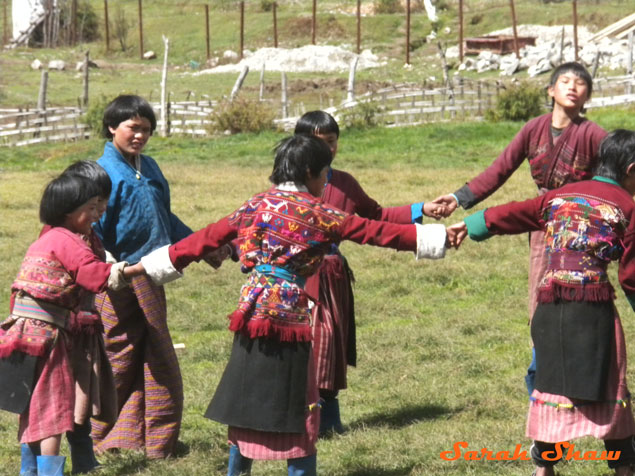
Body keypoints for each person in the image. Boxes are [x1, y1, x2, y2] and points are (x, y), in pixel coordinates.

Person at [138, 134, 448, 476]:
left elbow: (203, 240)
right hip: (291, 319)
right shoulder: (321, 214)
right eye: (324, 174)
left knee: (247, 395)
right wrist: (441, 236)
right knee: (299, 402)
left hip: (250, 312)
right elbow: (377, 232)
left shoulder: (255, 205)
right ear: (311, 172)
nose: (325, 181)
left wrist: (141, 268)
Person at [446, 129, 635, 476]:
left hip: (549, 308)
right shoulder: (627, 207)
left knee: (551, 386)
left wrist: (472, 224)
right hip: (594, 316)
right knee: (609, 384)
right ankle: (623, 468)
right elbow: (631, 275)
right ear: (631, 169)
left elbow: (517, 213)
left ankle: (543, 470)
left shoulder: (560, 196)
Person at [433, 62, 607, 394]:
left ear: (588, 96)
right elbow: (498, 170)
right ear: (551, 90)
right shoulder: (533, 130)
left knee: (580, 295)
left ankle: (580, 379)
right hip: (543, 225)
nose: (572, 86)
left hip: (583, 227)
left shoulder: (593, 134)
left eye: (581, 83)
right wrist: (459, 197)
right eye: (565, 81)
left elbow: (615, 168)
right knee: (541, 296)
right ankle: (540, 374)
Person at [294, 110, 446, 434]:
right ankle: (296, 421)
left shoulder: (344, 183)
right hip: (294, 277)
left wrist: (421, 210)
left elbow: (375, 216)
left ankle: (328, 423)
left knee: (329, 347)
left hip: (331, 276)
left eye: (332, 142)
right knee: (302, 347)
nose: (327, 149)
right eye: (317, 142)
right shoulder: (288, 187)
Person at [0, 173, 145, 476]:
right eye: (91, 208)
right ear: (68, 208)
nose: (97, 214)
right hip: (48, 337)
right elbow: (96, 277)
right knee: (51, 412)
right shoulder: (69, 241)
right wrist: (140, 269)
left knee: (32, 409)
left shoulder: (47, 238)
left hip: (21, 333)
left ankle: (30, 471)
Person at [90, 95, 193, 459]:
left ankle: (153, 439)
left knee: (156, 356)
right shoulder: (101, 174)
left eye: (147, 130)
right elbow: (93, 232)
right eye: (134, 128)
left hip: (150, 276)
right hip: (115, 279)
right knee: (119, 356)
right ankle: (95, 436)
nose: (140, 136)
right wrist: (107, 270)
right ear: (112, 127)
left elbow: (165, 218)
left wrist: (200, 243)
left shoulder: (149, 167)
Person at [38, 161, 117, 474]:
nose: (100, 213)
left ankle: (84, 463)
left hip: (81, 331)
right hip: (58, 333)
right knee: (48, 406)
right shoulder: (61, 238)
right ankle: (36, 469)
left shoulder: (87, 234)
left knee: (79, 401)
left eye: (102, 205)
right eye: (94, 205)